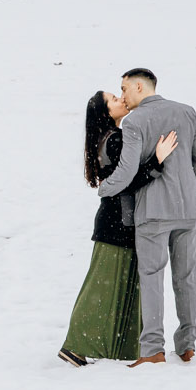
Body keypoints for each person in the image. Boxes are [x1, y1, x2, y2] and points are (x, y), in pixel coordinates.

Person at [97, 67, 196, 365]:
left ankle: (152, 350)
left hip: (153, 213)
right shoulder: (186, 112)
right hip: (188, 211)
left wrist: (103, 187)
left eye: (123, 89)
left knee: (151, 279)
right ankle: (187, 345)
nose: (122, 95)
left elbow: (126, 171)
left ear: (138, 87)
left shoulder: (135, 121)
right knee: (186, 277)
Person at [58, 91, 177, 365]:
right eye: (114, 99)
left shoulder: (110, 138)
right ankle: (75, 345)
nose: (121, 99)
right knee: (102, 287)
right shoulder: (115, 140)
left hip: (119, 223)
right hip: (117, 224)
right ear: (105, 113)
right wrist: (157, 159)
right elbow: (128, 180)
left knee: (122, 286)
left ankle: (118, 347)